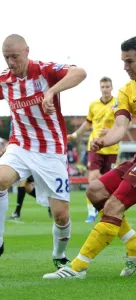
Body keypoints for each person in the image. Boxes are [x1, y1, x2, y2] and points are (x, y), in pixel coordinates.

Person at [0, 34, 87, 269]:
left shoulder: (45, 71)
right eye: (6, 58)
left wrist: (51, 91)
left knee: (61, 216)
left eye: (15, 57)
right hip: (21, 144)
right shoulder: (3, 80)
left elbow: (80, 73)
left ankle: (59, 256)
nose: (10, 62)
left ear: (27, 51)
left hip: (51, 150)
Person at [43, 36, 136, 279]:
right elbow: (120, 125)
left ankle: (78, 268)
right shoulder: (126, 91)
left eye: (130, 61)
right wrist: (102, 140)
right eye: (123, 61)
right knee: (95, 190)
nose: (125, 67)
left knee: (114, 205)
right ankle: (134, 245)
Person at [68, 77, 119, 223]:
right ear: (100, 88)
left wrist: (111, 130)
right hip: (95, 146)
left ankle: (106, 210)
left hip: (111, 147)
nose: (105, 89)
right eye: (102, 86)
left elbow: (125, 124)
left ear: (111, 87)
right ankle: (91, 213)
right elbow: (87, 124)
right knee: (93, 178)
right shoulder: (93, 105)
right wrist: (75, 135)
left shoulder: (118, 104)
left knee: (109, 183)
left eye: (107, 86)